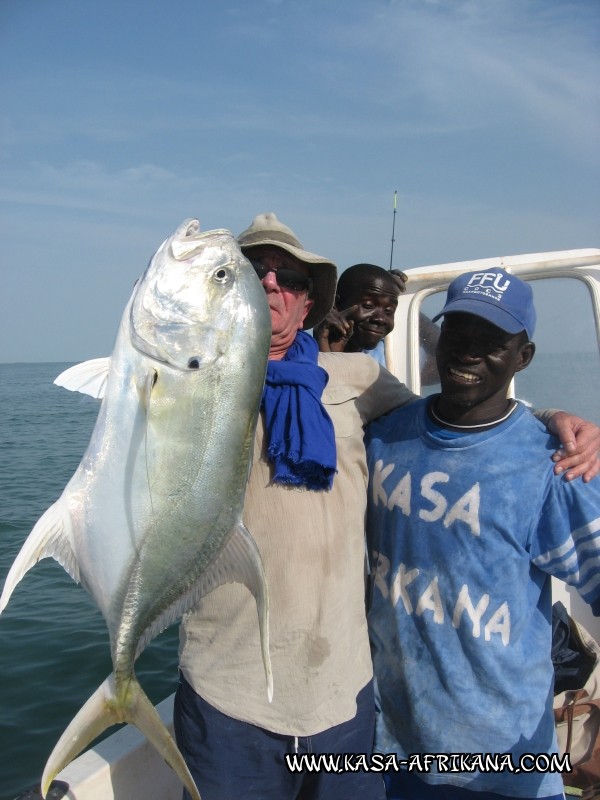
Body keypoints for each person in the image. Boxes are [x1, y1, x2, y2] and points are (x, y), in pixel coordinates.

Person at [174, 214, 600, 800]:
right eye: (253, 275)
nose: (469, 351)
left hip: (483, 759)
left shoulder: (372, 389)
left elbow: (485, 428)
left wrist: (552, 421)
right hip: (370, 742)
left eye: (290, 280)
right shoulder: (183, 390)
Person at [365, 268, 600, 800]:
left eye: (492, 342)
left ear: (524, 357)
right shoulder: (384, 434)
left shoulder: (552, 468)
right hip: (390, 750)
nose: (469, 353)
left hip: (504, 765)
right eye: (458, 334)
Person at [314, 262, 440, 382]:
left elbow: (444, 362)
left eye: (389, 310)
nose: (380, 319)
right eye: (368, 306)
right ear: (337, 303)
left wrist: (407, 303)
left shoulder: (387, 356)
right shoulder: (304, 352)